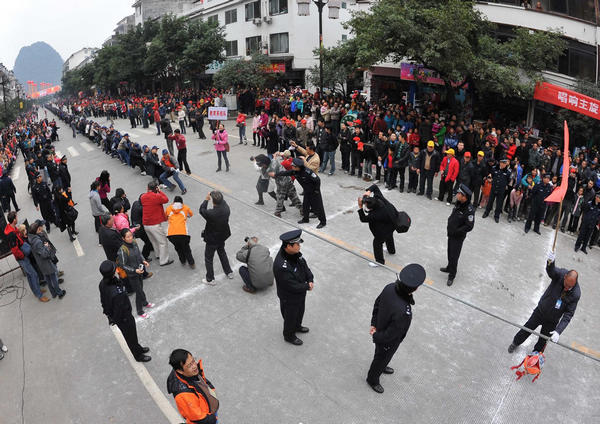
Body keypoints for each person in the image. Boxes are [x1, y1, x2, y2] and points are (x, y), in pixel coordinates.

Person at [366, 264, 426, 393]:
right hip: (387, 341)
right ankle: (372, 379)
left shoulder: (389, 287)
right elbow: (391, 334)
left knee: (382, 357)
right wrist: (376, 335)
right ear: (415, 289)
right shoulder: (404, 311)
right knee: (381, 358)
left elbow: (377, 304)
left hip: (379, 329)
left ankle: (382, 367)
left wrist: (373, 324)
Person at [508, 252, 580, 354]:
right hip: (541, 311)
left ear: (575, 283)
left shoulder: (576, 294)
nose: (567, 288)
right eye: (566, 285)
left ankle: (535, 354)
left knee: (543, 340)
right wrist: (550, 262)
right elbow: (551, 271)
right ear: (565, 277)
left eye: (570, 287)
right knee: (527, 328)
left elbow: (568, 314)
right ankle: (515, 342)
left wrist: (558, 331)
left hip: (552, 320)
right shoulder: (560, 274)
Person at [98, 260, 151, 362]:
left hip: (118, 314)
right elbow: (119, 309)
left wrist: (109, 316)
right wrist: (119, 319)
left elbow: (103, 300)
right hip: (124, 318)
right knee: (130, 337)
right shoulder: (116, 292)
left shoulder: (103, 283)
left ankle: (138, 348)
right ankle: (138, 355)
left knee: (132, 336)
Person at [273, 229, 314, 345]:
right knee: (290, 316)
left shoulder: (295, 254)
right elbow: (291, 286)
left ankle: (297, 326)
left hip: (300, 293)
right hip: (289, 297)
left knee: (300, 311)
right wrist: (307, 286)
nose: (299, 246)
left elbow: (305, 267)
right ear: (289, 246)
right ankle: (289, 335)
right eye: (297, 244)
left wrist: (310, 278)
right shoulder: (281, 266)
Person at [167, 349, 219, 424]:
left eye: (193, 361)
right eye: (189, 365)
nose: (194, 366)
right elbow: (198, 417)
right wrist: (213, 419)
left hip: (209, 409)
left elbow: (202, 380)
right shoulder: (183, 395)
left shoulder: (190, 373)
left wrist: (211, 388)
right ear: (180, 371)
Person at [4, 212, 48, 302]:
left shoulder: (12, 228)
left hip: (22, 256)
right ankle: (39, 295)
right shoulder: (11, 234)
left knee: (29, 275)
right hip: (22, 258)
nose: (17, 218)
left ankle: (36, 291)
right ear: (14, 220)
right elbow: (14, 249)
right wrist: (23, 255)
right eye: (16, 217)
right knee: (33, 274)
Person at [276, 158, 326, 228]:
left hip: (314, 192)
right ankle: (306, 219)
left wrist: (316, 190)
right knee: (305, 206)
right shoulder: (295, 171)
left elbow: (317, 180)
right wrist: (276, 174)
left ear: (298, 167)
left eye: (293, 166)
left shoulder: (307, 172)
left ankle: (323, 222)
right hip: (307, 191)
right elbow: (286, 173)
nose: (292, 167)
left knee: (318, 207)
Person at [440, 184, 475, 286]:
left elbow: (469, 226)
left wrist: (457, 230)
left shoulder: (469, 210)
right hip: (451, 233)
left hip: (457, 237)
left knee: (454, 256)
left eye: (459, 193)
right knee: (449, 251)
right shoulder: (459, 203)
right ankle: (449, 267)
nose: (457, 194)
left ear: (464, 197)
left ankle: (452, 275)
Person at [117, 229, 153, 318]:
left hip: (139, 271)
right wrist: (134, 270)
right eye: (128, 237)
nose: (130, 238)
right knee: (139, 292)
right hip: (132, 275)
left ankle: (144, 302)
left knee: (140, 288)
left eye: (131, 235)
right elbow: (122, 265)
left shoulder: (134, 243)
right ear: (123, 238)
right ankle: (140, 311)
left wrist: (143, 260)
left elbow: (139, 253)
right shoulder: (123, 250)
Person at [357, 184, 397, 266]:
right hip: (393, 222)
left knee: (377, 242)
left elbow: (363, 219)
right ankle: (391, 250)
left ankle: (379, 261)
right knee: (389, 235)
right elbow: (375, 186)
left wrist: (360, 207)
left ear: (372, 209)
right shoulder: (379, 198)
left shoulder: (375, 215)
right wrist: (368, 191)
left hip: (386, 227)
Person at [199, 191, 233, 285]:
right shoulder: (226, 208)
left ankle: (210, 279)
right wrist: (215, 195)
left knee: (208, 258)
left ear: (213, 202)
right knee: (222, 253)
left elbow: (201, 210)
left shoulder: (211, 214)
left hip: (212, 239)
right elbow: (221, 201)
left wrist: (206, 200)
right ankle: (229, 272)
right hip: (222, 236)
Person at [29, 219, 65, 299]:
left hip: (40, 263)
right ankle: (59, 292)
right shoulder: (37, 242)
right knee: (53, 277)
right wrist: (47, 246)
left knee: (48, 279)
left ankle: (53, 293)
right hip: (46, 262)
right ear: (37, 230)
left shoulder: (31, 239)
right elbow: (44, 254)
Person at [140, 181, 173, 266]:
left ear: (148, 188)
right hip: (154, 224)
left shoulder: (143, 197)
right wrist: (160, 191)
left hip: (146, 224)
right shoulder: (156, 196)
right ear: (156, 188)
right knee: (163, 242)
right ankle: (164, 260)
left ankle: (158, 255)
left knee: (154, 240)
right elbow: (166, 199)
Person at [166, 196, 195, 269]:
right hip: (183, 233)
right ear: (182, 202)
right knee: (186, 249)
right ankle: (191, 263)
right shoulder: (185, 207)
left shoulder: (169, 208)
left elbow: (165, 217)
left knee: (178, 248)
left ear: (173, 202)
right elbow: (190, 215)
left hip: (171, 234)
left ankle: (183, 260)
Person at [482, 158, 511, 223]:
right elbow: (491, 176)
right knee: (490, 201)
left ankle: (496, 216)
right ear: (500, 163)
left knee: (499, 203)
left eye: (505, 163)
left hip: (501, 190)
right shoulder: (494, 168)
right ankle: (486, 212)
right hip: (494, 188)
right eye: (502, 163)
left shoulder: (508, 172)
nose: (503, 164)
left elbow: (508, 181)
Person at [90, 180, 109, 244]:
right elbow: (99, 206)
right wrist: (104, 211)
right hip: (98, 213)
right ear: (97, 187)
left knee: (96, 221)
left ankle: (96, 229)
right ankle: (101, 242)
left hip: (94, 211)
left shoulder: (91, 192)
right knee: (101, 227)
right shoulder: (96, 195)